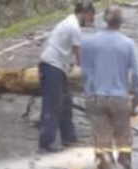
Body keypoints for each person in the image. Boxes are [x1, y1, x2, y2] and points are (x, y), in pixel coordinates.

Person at [81, 5, 138, 169]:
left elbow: (85, 72)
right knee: (123, 143)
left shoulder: (90, 42)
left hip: (97, 97)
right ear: (120, 22)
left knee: (102, 143)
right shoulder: (128, 44)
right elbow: (136, 75)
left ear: (104, 20)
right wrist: (136, 99)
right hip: (119, 98)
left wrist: (88, 94)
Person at [38, 1, 95, 152]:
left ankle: (69, 138)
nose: (89, 21)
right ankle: (46, 143)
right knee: (52, 105)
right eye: (90, 17)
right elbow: (79, 54)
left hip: (58, 67)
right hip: (52, 67)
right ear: (84, 13)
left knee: (66, 104)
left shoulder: (69, 22)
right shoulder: (73, 26)